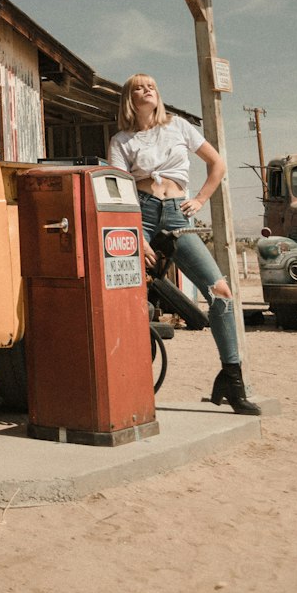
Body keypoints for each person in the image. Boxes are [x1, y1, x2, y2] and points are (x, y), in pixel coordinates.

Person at [108, 72, 260, 416]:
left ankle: (231, 379)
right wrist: (134, 234)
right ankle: (126, 380)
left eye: (151, 86)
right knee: (123, 292)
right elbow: (118, 189)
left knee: (221, 292)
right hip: (140, 216)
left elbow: (217, 163)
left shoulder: (177, 126)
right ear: (129, 99)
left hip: (178, 214)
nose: (147, 89)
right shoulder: (121, 140)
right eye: (139, 87)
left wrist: (202, 199)